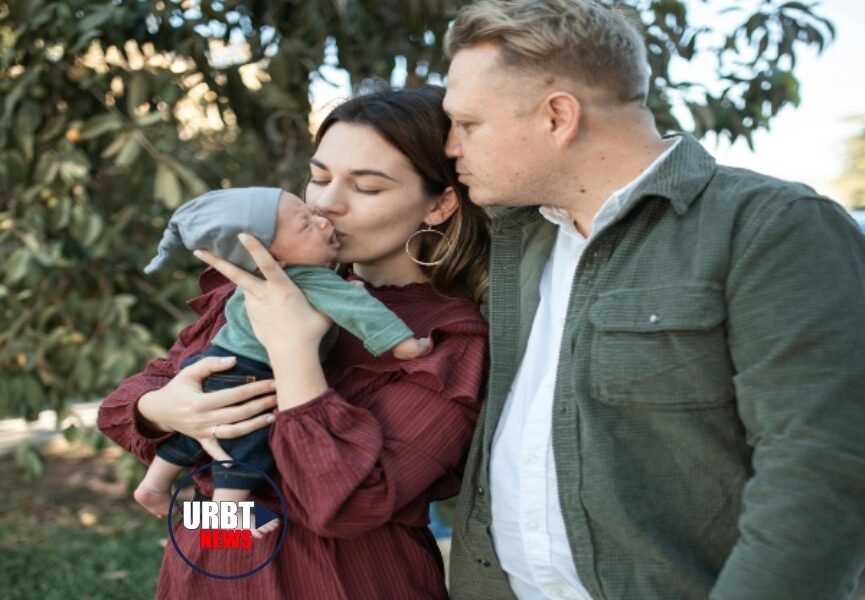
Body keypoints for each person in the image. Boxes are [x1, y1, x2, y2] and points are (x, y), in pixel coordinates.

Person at [441, 1, 865, 599]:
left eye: (468, 124)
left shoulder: (773, 228)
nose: (451, 147)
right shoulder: (513, 242)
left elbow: (822, 478)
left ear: (558, 116)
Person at [97, 84, 491, 599]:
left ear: (438, 205)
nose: (326, 203)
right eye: (318, 177)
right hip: (205, 563)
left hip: (336, 578)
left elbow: (343, 506)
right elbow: (124, 406)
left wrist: (294, 353)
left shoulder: (444, 338)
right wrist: (165, 407)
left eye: (366, 188)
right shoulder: (265, 284)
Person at [134, 187, 433, 520]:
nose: (323, 217)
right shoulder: (313, 277)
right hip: (251, 373)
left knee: (195, 432)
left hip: (213, 362)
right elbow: (364, 313)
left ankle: (155, 484)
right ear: (273, 257)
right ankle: (224, 520)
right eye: (306, 224)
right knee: (246, 447)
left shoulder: (257, 283)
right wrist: (406, 344)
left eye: (367, 186)